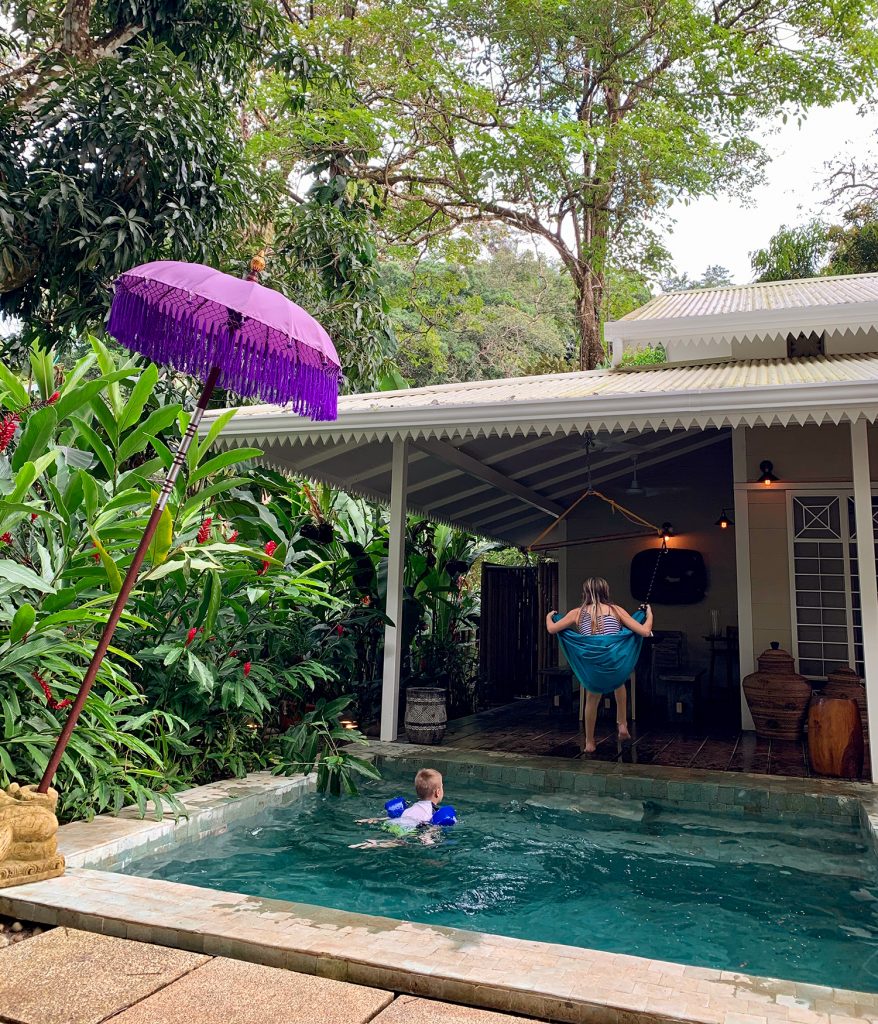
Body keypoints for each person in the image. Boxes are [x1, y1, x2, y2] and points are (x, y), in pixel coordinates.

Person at [545, 576, 653, 754]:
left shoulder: (577, 613)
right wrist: (649, 615)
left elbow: (552, 629)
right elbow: (645, 631)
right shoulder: (616, 610)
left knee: (592, 699)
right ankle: (623, 724)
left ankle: (589, 742)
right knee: (619, 682)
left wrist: (550, 617)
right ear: (606, 591)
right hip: (614, 661)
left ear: (585, 592)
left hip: (593, 665)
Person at [351, 768, 445, 849]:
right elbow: (433, 825)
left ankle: (373, 837)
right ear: (437, 792)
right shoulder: (433, 810)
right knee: (400, 842)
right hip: (409, 828)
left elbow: (403, 817)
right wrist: (427, 837)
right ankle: (376, 844)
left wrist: (378, 819)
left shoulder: (412, 807)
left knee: (397, 839)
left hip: (393, 824)